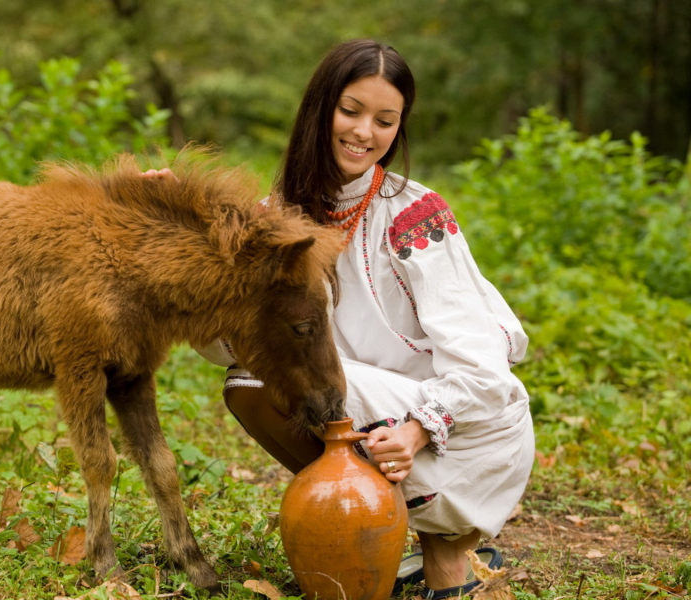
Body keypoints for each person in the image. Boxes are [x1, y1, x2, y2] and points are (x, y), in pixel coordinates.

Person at [146, 39, 535, 599]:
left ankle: (441, 550)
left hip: (469, 432)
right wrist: (181, 232)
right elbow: (232, 344)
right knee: (254, 382)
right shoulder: (278, 217)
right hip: (369, 412)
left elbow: (485, 370)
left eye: (385, 120)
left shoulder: (414, 214)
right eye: (350, 110)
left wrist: (420, 426)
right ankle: (373, 532)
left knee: (267, 383)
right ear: (319, 108)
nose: (363, 132)